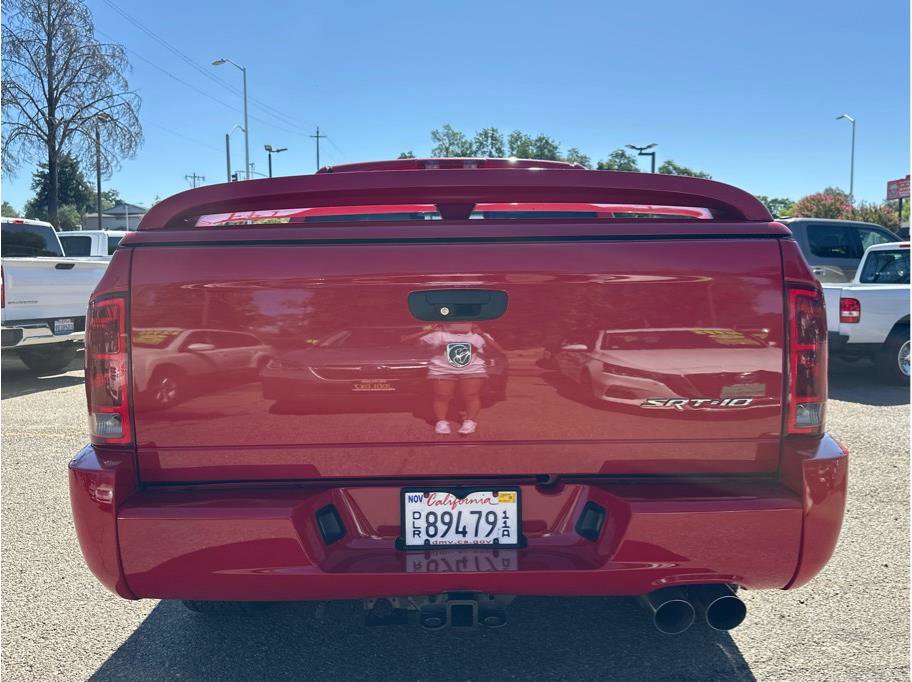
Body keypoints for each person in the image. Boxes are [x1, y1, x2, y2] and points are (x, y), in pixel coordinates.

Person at [405, 322, 504, 435]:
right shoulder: (439, 335)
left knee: (471, 395)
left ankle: (470, 421)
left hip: (472, 369)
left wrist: (482, 335)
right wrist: (428, 330)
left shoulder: (478, 335)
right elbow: (407, 341)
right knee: (442, 396)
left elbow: (499, 350)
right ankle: (441, 421)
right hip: (442, 369)